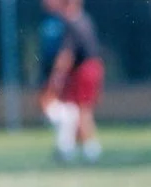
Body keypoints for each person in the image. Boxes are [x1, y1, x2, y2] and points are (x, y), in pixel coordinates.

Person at [40, 0, 105, 164]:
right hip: (88, 68)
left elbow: (66, 54)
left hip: (84, 70)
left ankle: (90, 151)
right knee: (77, 110)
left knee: (81, 110)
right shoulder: (82, 19)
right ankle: (75, 148)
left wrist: (57, 77)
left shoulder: (71, 22)